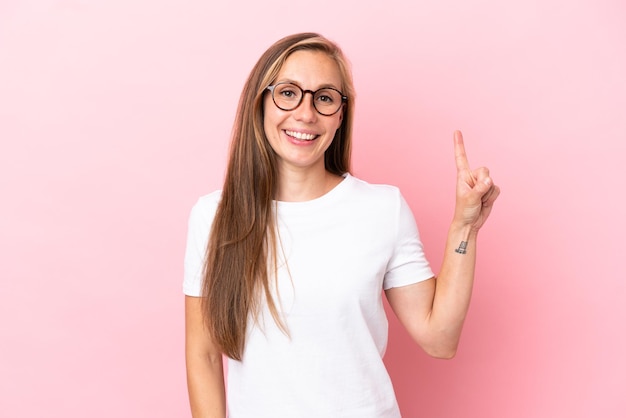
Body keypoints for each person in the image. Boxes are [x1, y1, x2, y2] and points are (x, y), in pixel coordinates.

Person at [183, 32, 500, 418]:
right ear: (261, 102)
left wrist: (464, 227)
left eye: (325, 98)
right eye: (288, 92)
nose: (305, 113)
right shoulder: (213, 216)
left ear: (340, 116)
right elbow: (203, 355)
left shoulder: (383, 209)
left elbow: (440, 339)